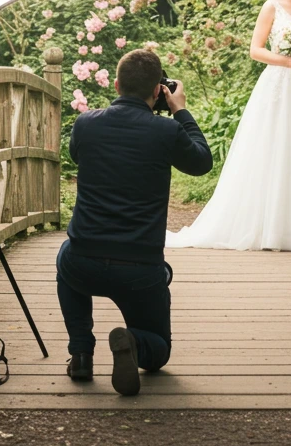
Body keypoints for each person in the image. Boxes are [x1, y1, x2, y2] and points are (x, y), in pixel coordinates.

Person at [56, 47, 212, 396]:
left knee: (66, 255)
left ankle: (80, 353)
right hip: (140, 268)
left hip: (85, 261)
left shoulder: (85, 124)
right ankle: (133, 342)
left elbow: (77, 154)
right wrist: (180, 110)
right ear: (159, 91)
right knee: (158, 351)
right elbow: (202, 162)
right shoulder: (165, 133)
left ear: (115, 84)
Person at [165, 0, 291, 252]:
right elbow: (255, 50)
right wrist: (285, 60)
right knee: (275, 148)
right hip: (278, 84)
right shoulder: (271, 6)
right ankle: (268, 227)